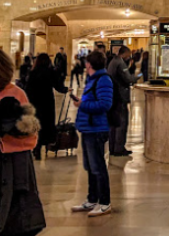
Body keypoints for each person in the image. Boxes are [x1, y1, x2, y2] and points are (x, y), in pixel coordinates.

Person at [0, 47, 45, 236]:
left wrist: (3, 134)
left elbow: (31, 137)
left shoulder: (16, 94)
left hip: (9, 172)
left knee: (9, 220)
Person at [71, 50, 113, 217]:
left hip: (96, 129)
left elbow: (105, 104)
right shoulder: (92, 79)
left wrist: (82, 105)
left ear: (89, 64)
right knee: (90, 166)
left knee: (98, 167)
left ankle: (104, 202)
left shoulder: (103, 80)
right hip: (88, 128)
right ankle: (92, 198)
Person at [26, 52, 68, 159]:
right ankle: (47, 145)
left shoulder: (33, 72)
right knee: (47, 124)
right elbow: (57, 85)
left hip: (35, 103)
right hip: (47, 102)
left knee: (36, 125)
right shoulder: (49, 72)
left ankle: (36, 147)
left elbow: (28, 89)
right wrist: (66, 90)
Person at [107, 45, 138, 158]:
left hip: (113, 96)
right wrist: (138, 76)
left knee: (113, 123)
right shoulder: (120, 63)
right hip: (120, 96)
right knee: (121, 122)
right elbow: (129, 79)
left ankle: (112, 148)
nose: (129, 57)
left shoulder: (112, 62)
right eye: (128, 55)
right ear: (124, 53)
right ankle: (119, 148)